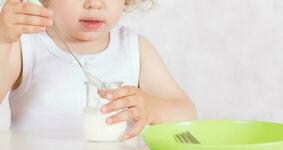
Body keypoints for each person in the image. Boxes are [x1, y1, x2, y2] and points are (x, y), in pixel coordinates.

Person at [0, 0, 196, 140]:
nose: (94, 3)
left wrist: (151, 108)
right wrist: (2, 38)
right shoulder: (23, 43)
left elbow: (187, 113)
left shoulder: (134, 48)